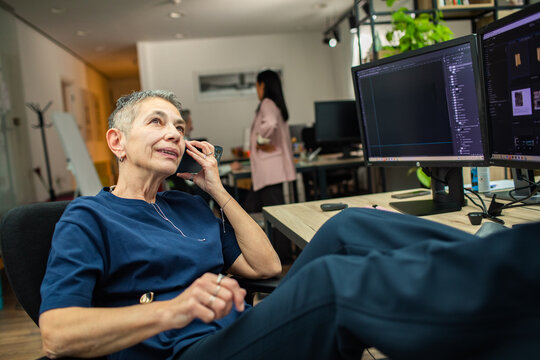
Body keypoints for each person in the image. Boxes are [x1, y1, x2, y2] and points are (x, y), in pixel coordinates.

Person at [39, 90, 540, 360]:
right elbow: (57, 335)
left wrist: (215, 187)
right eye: (157, 122)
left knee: (348, 228)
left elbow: (266, 265)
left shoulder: (191, 206)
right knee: (331, 285)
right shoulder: (87, 217)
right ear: (117, 142)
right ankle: (512, 276)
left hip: (240, 332)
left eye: (180, 126)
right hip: (185, 352)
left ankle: (490, 256)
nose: (174, 132)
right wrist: (171, 311)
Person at [244, 69, 296, 263]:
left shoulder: (267, 103)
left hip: (269, 172)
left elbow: (270, 123)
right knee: (252, 210)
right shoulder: (275, 104)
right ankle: (267, 254)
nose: (256, 90)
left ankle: (281, 257)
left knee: (275, 216)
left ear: (262, 85)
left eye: (257, 86)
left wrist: (259, 140)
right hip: (268, 173)